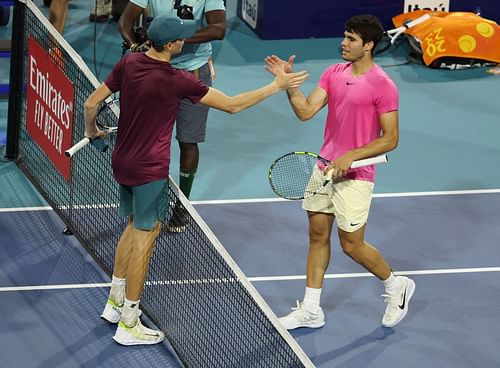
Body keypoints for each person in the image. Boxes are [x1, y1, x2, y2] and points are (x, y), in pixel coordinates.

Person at [83, 14, 308, 345]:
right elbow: (232, 106)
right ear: (172, 45)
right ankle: (129, 321)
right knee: (146, 237)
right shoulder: (178, 80)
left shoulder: (129, 64)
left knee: (132, 226)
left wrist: (93, 132)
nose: (185, 41)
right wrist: (276, 86)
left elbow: (91, 103)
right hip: (149, 170)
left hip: (122, 162)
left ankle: (115, 303)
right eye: (182, 39)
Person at [264, 14, 415, 330]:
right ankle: (311, 308)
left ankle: (395, 284)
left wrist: (353, 155)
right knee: (317, 236)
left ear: (368, 45)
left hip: (357, 175)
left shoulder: (383, 85)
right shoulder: (333, 73)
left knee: (352, 246)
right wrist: (288, 86)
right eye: (344, 37)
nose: (343, 44)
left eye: (351, 39)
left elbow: (391, 139)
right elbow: (306, 112)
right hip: (323, 167)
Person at [118, 0, 226, 231]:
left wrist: (176, 37)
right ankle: (145, 195)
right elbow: (125, 22)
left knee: (188, 141)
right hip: (157, 75)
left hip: (194, 72)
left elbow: (219, 28)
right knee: (148, 139)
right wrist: (135, 45)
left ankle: (182, 205)